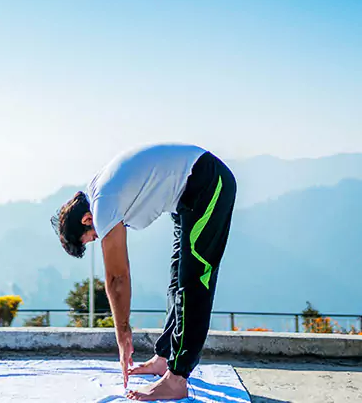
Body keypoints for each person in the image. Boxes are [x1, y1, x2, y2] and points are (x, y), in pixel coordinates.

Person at [51, 143, 237, 401]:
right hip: (186, 198)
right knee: (177, 280)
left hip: (208, 184)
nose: (98, 238)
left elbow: (117, 278)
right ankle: (164, 358)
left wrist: (122, 333)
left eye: (91, 238)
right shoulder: (97, 192)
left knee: (194, 281)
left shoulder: (102, 205)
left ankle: (177, 378)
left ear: (86, 220)